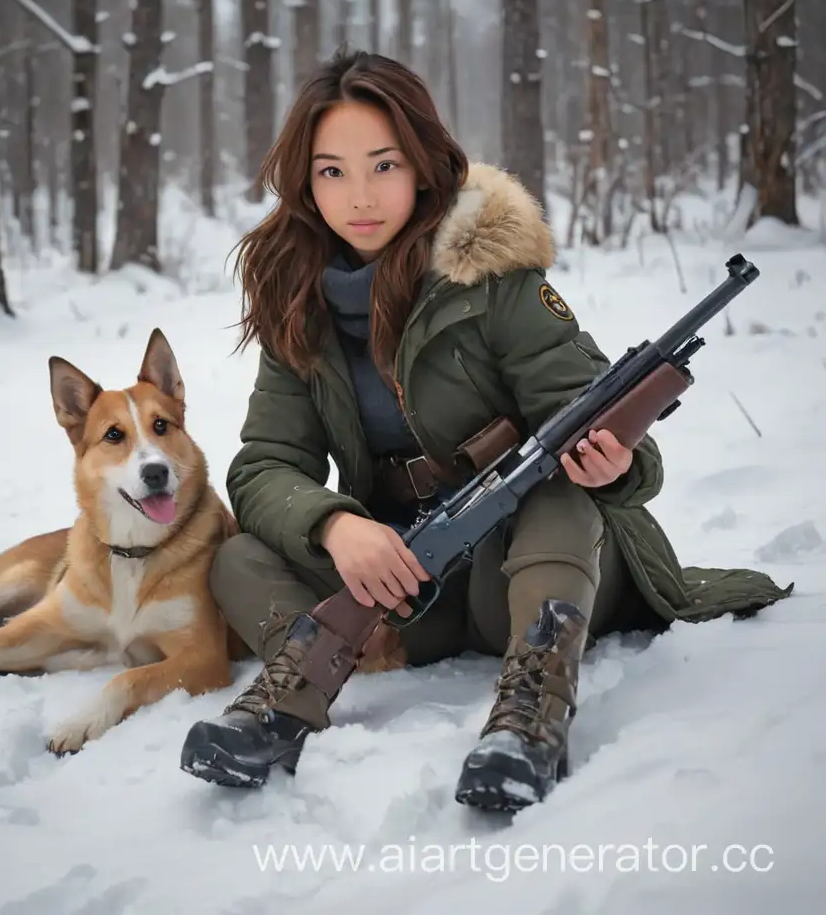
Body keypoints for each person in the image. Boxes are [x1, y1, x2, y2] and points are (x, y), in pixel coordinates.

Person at [177, 49, 793, 810]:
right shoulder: (297, 309)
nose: (359, 195)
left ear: (425, 165)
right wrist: (336, 526)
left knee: (554, 486)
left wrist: (615, 464)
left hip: (541, 574)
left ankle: (529, 721)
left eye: (383, 165)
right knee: (236, 554)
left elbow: (631, 458)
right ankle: (290, 697)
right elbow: (265, 464)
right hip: (414, 590)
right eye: (332, 171)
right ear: (305, 182)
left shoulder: (497, 284)